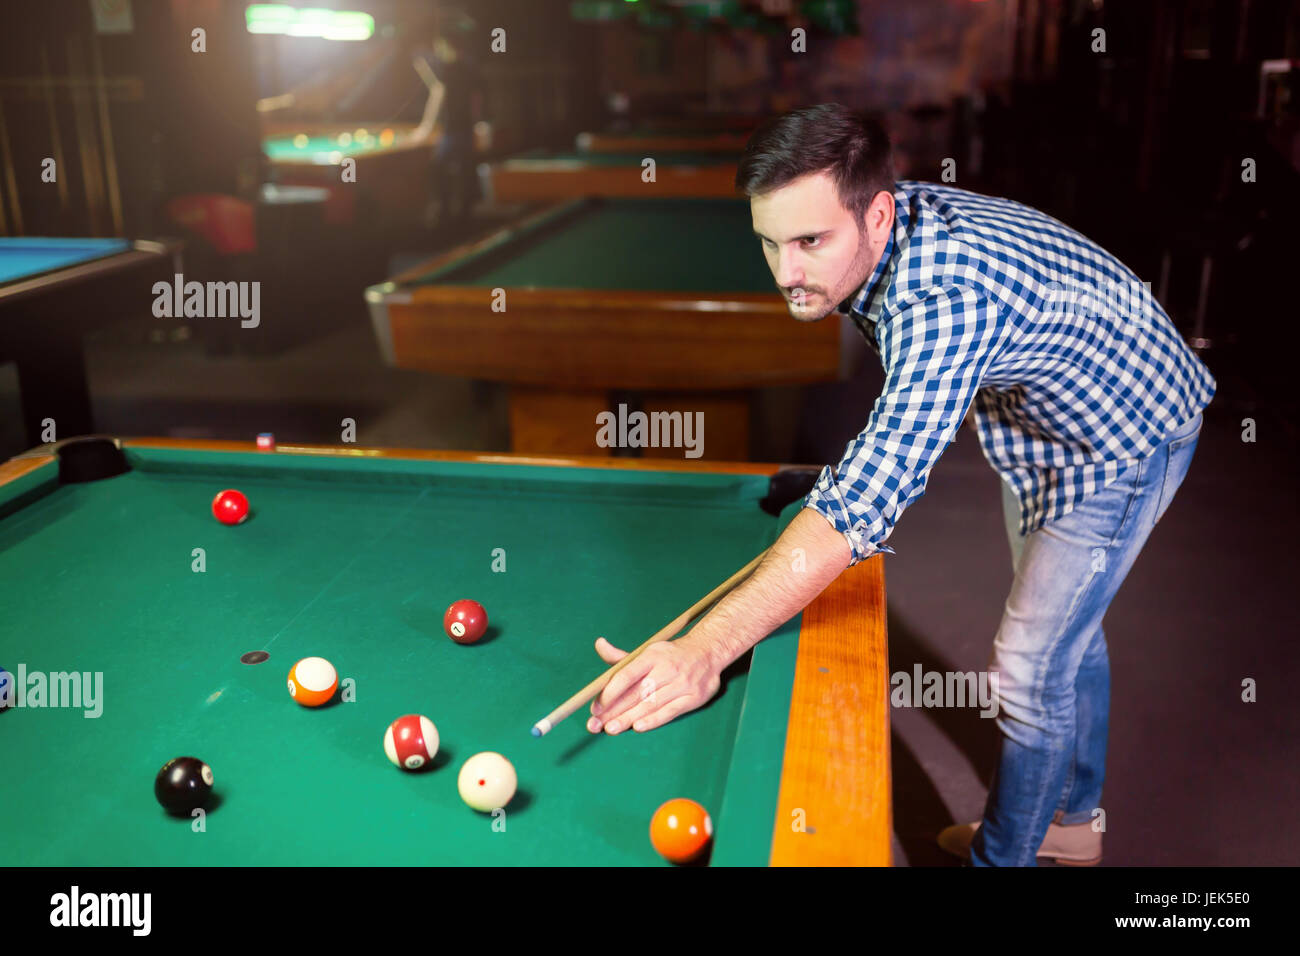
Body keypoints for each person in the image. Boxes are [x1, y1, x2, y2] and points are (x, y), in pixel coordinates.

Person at [584, 103, 1215, 867]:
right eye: (769, 242)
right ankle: (1073, 821)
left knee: (1029, 661)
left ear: (877, 215)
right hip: (1044, 418)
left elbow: (863, 504)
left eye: (812, 241)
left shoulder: (942, 296)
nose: (788, 274)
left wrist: (704, 648)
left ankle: (1007, 856)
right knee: (1068, 638)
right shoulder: (882, 217)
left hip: (1125, 429)